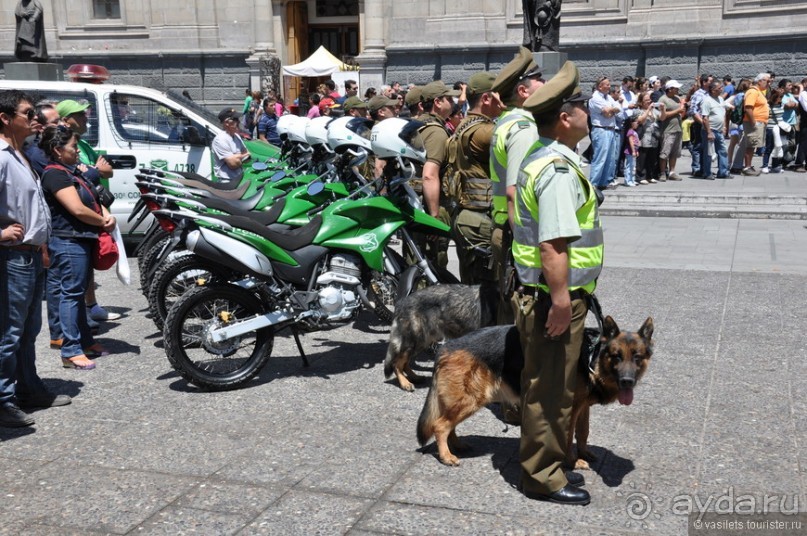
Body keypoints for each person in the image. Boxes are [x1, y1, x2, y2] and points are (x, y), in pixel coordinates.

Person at [512, 60, 601, 506]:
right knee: (549, 389)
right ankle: (542, 475)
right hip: (552, 297)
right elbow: (552, 246)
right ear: (565, 119)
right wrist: (563, 301)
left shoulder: (543, 158)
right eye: (582, 105)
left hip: (541, 293)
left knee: (545, 384)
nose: (589, 111)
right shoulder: (557, 170)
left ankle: (542, 460)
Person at [1, 90, 72, 428]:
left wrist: (41, 243)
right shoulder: (1, 156)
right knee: (10, 332)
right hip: (11, 258)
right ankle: (3, 400)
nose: (35, 120)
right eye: (28, 113)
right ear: (5, 118)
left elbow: (30, 206)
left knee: (29, 330)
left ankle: (28, 389)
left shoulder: (22, 154)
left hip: (30, 255)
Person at [40, 125, 116, 370]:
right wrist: (102, 221)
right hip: (67, 240)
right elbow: (77, 209)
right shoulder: (55, 174)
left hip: (81, 239)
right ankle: (70, 350)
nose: (78, 152)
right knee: (71, 295)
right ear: (57, 150)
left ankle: (85, 342)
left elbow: (93, 199)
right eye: (73, 147)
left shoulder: (73, 172)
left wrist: (106, 214)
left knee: (79, 293)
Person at [489, 46, 544, 325]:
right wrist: (526, 246)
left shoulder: (508, 121)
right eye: (539, 80)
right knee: (523, 314)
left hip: (506, 228)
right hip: (518, 233)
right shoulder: (523, 127)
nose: (545, 84)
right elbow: (515, 192)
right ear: (523, 91)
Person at [56, 99, 119, 324]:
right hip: (76, 220)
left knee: (89, 264)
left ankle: (91, 305)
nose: (85, 118)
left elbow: (103, 171)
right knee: (76, 270)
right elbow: (84, 174)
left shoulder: (82, 144)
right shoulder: (61, 145)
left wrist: (96, 171)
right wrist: (95, 171)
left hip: (95, 206)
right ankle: (80, 316)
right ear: (65, 120)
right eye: (79, 115)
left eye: (84, 113)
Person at [447, 72, 503, 285]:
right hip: (481, 218)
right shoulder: (484, 131)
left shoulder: (464, 125)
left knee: (473, 284)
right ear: (487, 98)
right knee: (489, 288)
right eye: (499, 94)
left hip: (467, 216)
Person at [417, 81, 460, 271]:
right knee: (435, 261)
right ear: (437, 102)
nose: (453, 102)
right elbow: (429, 175)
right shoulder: (436, 131)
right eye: (449, 99)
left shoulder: (418, 123)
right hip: (432, 202)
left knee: (418, 259)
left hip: (417, 200)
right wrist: (434, 216)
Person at [587, 76, 621, 189]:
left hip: (610, 129)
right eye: (607, 84)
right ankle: (594, 183)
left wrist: (611, 111)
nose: (609, 86)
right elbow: (606, 112)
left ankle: (604, 182)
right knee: (600, 157)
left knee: (610, 158)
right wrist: (611, 111)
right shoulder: (595, 98)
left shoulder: (608, 98)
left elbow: (618, 108)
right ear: (600, 86)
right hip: (601, 130)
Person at [741, 73, 771, 176]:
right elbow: (748, 108)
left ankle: (749, 166)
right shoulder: (753, 92)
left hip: (759, 122)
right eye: (767, 81)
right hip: (754, 122)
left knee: (753, 145)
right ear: (760, 81)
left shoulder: (759, 92)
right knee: (751, 145)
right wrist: (754, 122)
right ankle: (747, 168)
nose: (769, 83)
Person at [699, 81, 730, 179]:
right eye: (719, 88)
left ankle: (723, 172)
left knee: (723, 151)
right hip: (710, 130)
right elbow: (705, 118)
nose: (721, 89)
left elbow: (723, 114)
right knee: (709, 153)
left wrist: (724, 127)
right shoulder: (707, 101)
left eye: (721, 87)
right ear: (712, 90)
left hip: (719, 130)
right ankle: (707, 173)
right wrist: (709, 132)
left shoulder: (721, 99)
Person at [658, 79, 686, 181]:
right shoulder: (663, 100)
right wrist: (677, 111)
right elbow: (662, 116)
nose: (678, 89)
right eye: (676, 88)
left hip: (678, 128)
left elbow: (680, 112)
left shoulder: (677, 99)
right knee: (665, 153)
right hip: (668, 130)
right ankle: (662, 173)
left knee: (675, 153)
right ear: (670, 89)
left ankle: (672, 172)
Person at [212, 107, 249, 182]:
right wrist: (242, 157)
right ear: (227, 123)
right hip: (227, 181)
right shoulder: (220, 140)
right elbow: (233, 164)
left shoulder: (237, 136)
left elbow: (248, 155)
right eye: (235, 119)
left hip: (239, 178)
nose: (239, 122)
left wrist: (237, 157)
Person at [634, 90, 662, 184]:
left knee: (652, 158)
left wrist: (663, 109)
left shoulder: (654, 111)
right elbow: (641, 120)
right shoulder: (638, 111)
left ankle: (650, 176)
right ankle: (640, 176)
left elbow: (662, 118)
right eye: (646, 100)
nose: (649, 101)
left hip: (653, 138)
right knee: (642, 158)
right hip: (643, 138)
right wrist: (648, 110)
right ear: (641, 102)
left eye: (649, 99)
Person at [623, 117, 639, 186]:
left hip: (634, 151)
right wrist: (633, 151)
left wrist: (636, 151)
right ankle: (627, 180)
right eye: (636, 122)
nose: (637, 124)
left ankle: (632, 179)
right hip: (629, 151)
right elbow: (631, 142)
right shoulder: (630, 131)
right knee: (629, 166)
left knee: (633, 166)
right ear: (631, 123)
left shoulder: (634, 132)